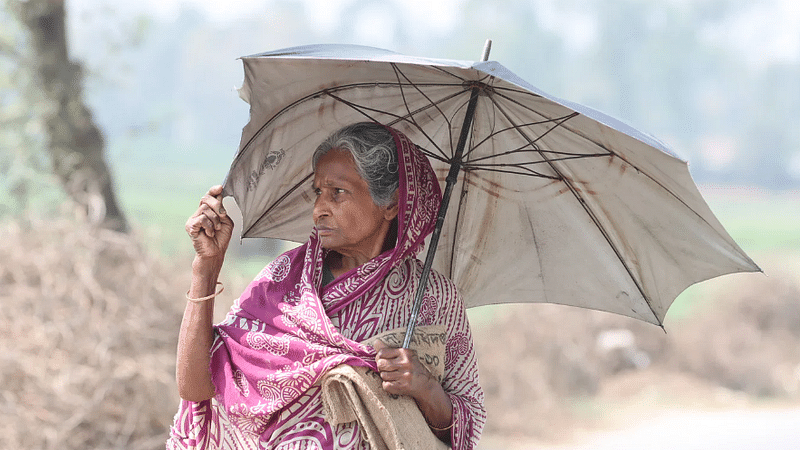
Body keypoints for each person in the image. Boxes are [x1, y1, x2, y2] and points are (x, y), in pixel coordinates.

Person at [167, 122, 485, 449]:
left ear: (391, 204)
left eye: (338, 192)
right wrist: (206, 268)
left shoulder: (433, 298)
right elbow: (194, 387)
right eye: (318, 192)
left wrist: (424, 386)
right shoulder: (283, 281)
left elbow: (466, 424)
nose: (319, 209)